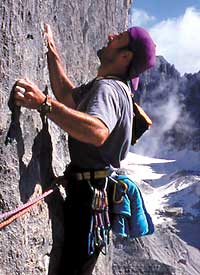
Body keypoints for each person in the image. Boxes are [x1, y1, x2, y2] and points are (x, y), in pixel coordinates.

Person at [14, 24, 156, 275]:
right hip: (91, 196)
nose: (111, 36)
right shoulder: (108, 86)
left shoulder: (109, 89)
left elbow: (97, 132)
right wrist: (51, 51)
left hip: (88, 201)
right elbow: (68, 96)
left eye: (119, 38)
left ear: (125, 56)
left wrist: (43, 105)